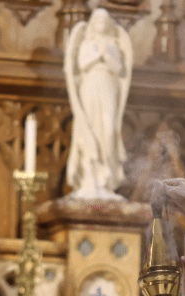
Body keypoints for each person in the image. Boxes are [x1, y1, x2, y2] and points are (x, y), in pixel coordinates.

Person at [63, 8, 132, 200]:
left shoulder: (113, 43)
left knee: (109, 130)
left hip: (108, 86)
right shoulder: (87, 42)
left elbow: (120, 69)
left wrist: (107, 57)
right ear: (93, 23)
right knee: (89, 129)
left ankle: (106, 180)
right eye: (98, 20)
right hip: (90, 86)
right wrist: (97, 55)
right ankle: (89, 179)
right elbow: (81, 65)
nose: (101, 23)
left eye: (104, 20)